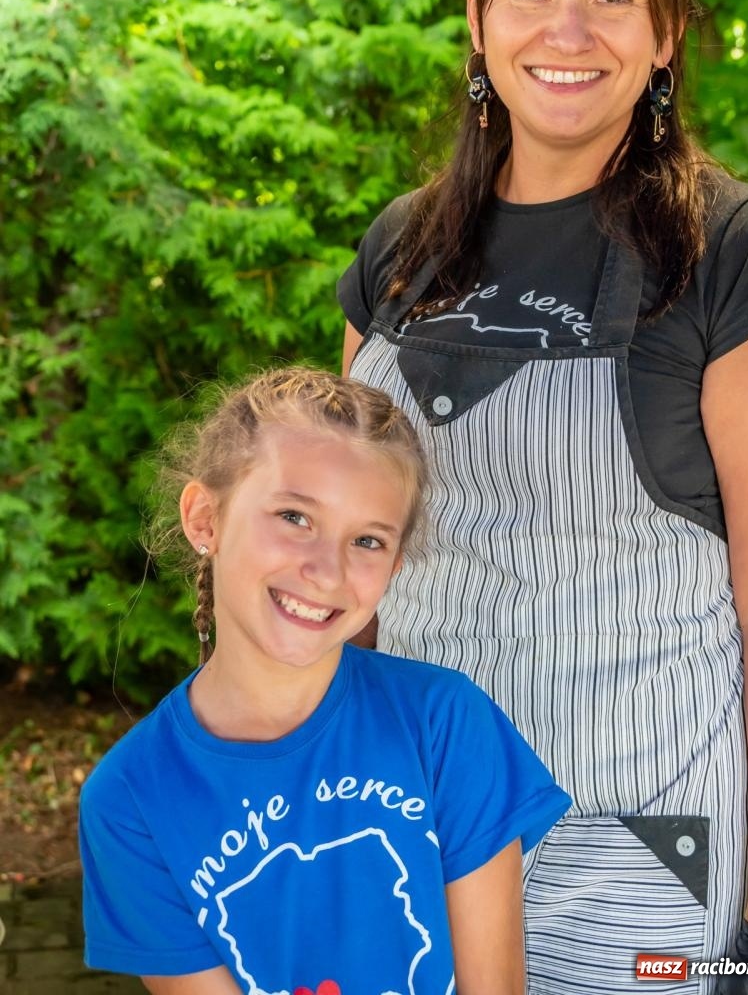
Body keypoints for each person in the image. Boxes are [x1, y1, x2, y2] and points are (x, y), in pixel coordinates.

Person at [338, 0, 748, 995]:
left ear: (666, 35)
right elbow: (347, 574)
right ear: (478, 11)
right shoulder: (398, 252)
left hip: (646, 852)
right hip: (416, 845)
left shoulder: (737, 251)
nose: (567, 30)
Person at [79, 366, 570, 995]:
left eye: (367, 539)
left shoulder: (445, 724)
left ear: (394, 565)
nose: (327, 571)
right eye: (294, 517)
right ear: (205, 519)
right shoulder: (130, 799)